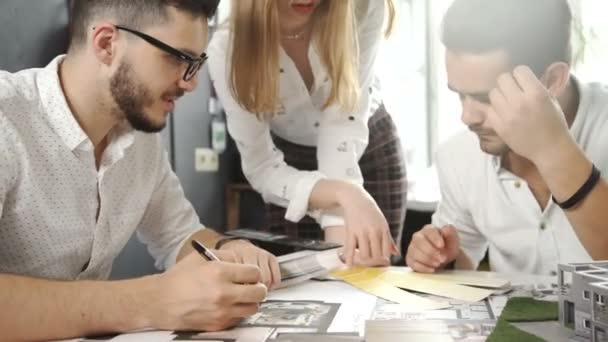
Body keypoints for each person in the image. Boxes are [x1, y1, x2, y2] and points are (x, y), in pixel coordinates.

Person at [0, 1, 282, 340]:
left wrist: (225, 250)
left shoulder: (139, 142)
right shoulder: (7, 118)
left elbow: (181, 237)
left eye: (195, 63)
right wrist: (150, 301)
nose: (190, 83)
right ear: (106, 43)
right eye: (177, 57)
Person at [406, 0, 608, 275]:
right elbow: (459, 256)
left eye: (486, 97)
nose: (467, 117)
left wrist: (552, 149)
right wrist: (438, 258)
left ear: (551, 80)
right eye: (459, 94)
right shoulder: (459, 157)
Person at [208, 0, 406, 266]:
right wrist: (345, 197)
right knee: (304, 286)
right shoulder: (227, 49)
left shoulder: (363, 7)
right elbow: (261, 166)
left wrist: (340, 215)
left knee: (373, 279)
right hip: (288, 166)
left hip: (368, 148)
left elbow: (342, 123)